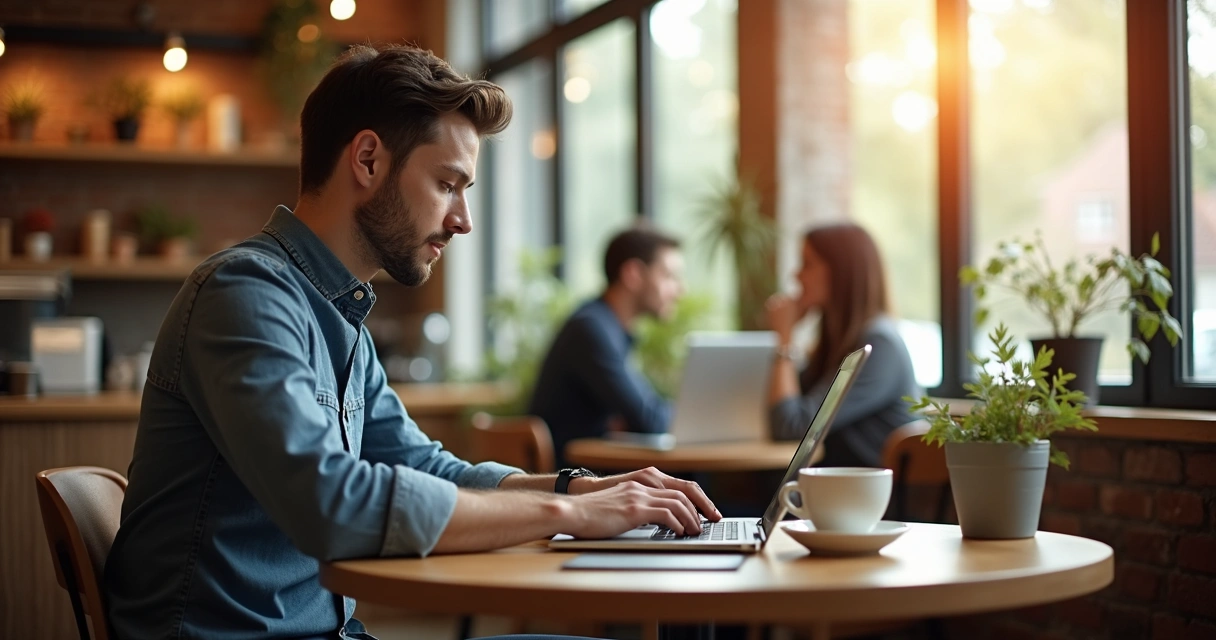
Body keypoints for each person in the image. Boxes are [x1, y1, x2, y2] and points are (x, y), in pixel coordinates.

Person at [103, 45, 718, 640]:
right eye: (449, 183)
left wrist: (575, 488)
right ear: (368, 160)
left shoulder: (338, 315)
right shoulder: (245, 293)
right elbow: (331, 504)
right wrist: (572, 517)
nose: (463, 219)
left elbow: (423, 467)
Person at [765, 223, 920, 467]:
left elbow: (791, 426)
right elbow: (788, 405)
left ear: (841, 273)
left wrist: (784, 339)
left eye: (807, 264)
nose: (796, 275)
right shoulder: (840, 341)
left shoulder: (878, 346)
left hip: (870, 501)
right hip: (835, 491)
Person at [529, 226, 684, 466]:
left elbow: (640, 415)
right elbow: (650, 420)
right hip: (574, 485)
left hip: (592, 478)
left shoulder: (605, 327)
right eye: (669, 276)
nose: (679, 290)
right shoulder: (591, 329)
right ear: (633, 274)